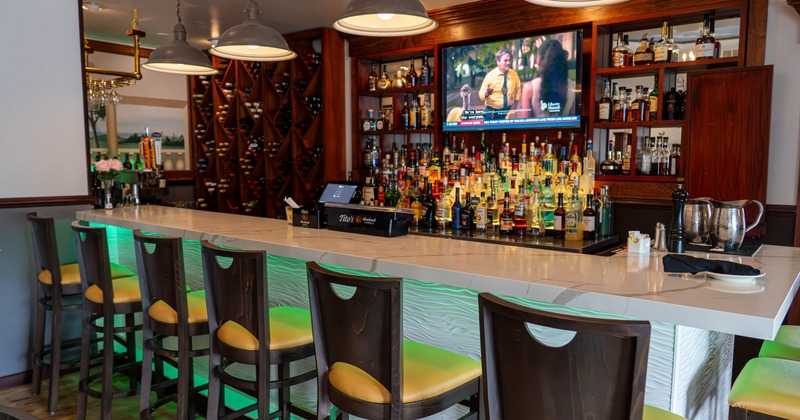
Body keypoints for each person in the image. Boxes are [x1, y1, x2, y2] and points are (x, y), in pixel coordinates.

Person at [518, 39, 576, 118]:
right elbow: (573, 121)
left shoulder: (529, 88)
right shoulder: (573, 86)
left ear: (538, 61)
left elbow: (524, 125)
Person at [478, 48, 521, 121]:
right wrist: (487, 93)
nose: (508, 63)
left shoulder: (514, 75)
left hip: (508, 113)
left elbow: (518, 90)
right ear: (498, 62)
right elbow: (481, 95)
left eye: (509, 60)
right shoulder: (490, 76)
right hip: (491, 114)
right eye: (505, 60)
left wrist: (514, 106)